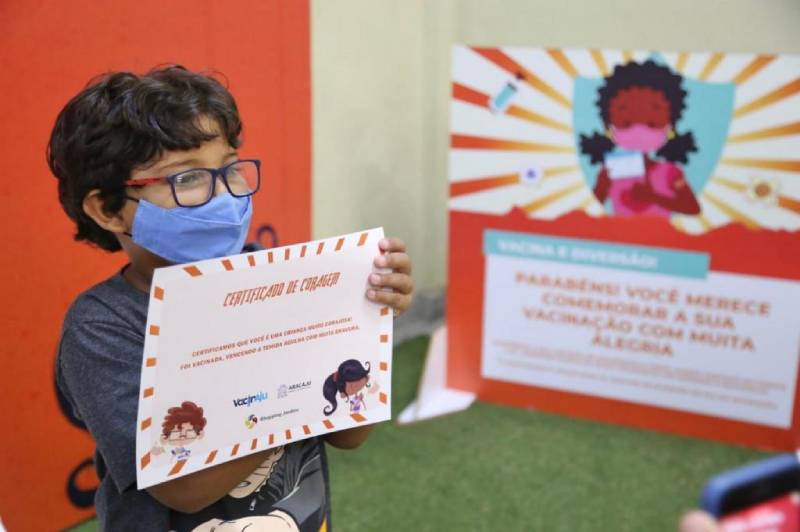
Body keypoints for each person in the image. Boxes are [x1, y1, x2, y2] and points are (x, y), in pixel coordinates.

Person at [51, 65, 414, 531]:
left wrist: (366, 318)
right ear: (107, 210)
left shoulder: (274, 276)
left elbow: (350, 432)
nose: (223, 194)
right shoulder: (102, 327)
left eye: (230, 168)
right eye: (187, 178)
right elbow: (184, 489)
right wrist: (292, 376)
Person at [579, 60, 701, 217]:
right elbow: (591, 209)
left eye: (651, 123)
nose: (639, 129)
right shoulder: (611, 170)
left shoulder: (669, 172)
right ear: (608, 126)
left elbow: (692, 207)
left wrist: (654, 197)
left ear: (670, 126)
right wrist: (602, 185)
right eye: (626, 123)